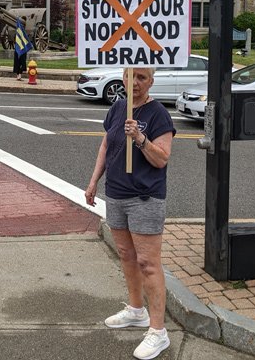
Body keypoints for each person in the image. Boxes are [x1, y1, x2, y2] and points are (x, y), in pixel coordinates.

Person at [85, 67, 176, 360]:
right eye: (130, 76)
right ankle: (137, 310)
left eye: (142, 78)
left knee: (148, 262)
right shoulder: (118, 107)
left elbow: (161, 159)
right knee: (126, 255)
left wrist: (139, 137)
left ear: (151, 81)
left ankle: (158, 331)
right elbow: (105, 144)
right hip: (117, 193)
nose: (134, 83)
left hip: (144, 197)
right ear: (122, 78)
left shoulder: (158, 114)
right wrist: (94, 181)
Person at [13, 16, 28, 81]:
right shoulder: (22, 32)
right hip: (22, 49)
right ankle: (19, 75)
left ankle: (18, 75)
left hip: (17, 48)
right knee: (22, 62)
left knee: (18, 62)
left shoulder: (17, 31)